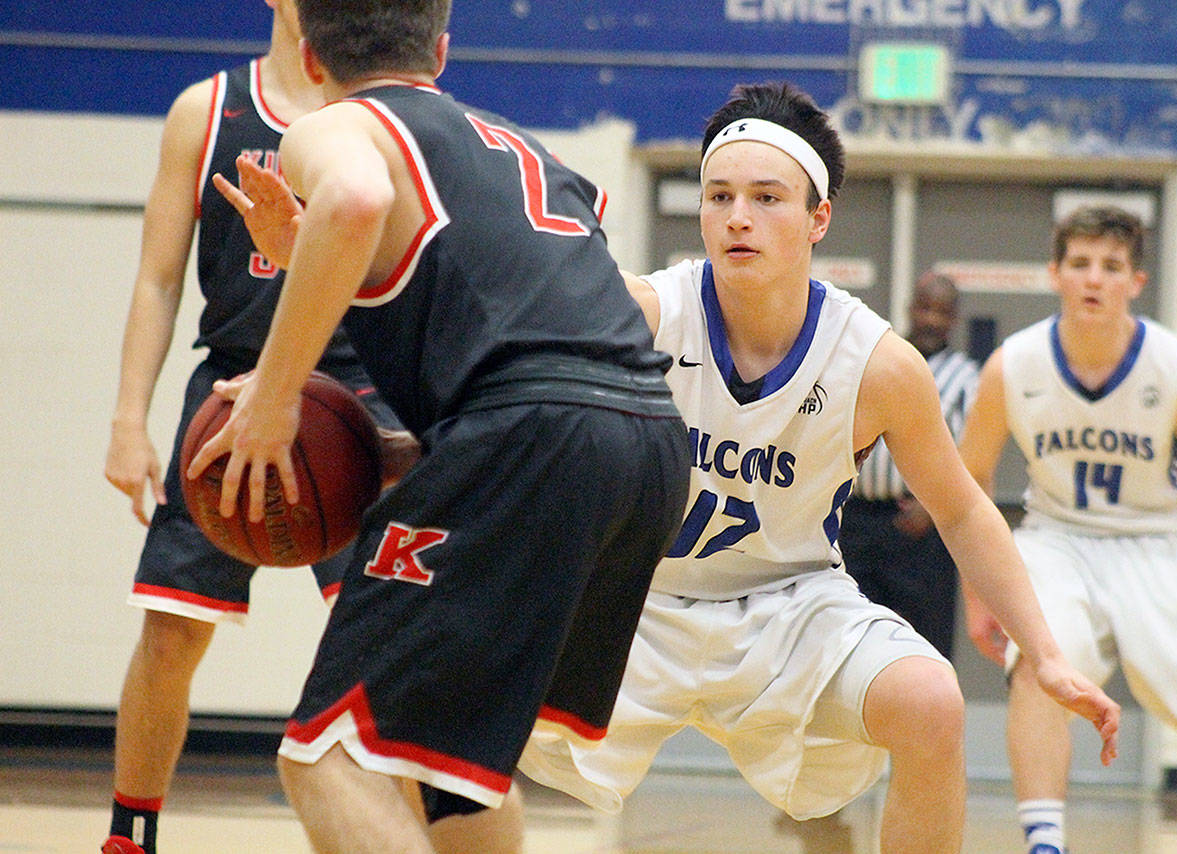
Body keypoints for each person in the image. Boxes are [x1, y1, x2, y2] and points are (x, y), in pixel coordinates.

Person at [516, 81, 1120, 854]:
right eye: (719, 195)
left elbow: (964, 510)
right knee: (436, 690)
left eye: (768, 197)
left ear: (818, 217)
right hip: (639, 599)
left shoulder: (877, 365)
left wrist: (1048, 656)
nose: (738, 216)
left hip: (792, 607)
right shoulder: (640, 316)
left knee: (933, 702)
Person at [188, 0, 691, 851]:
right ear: (443, 49)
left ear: (309, 58)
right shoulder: (521, 147)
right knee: (448, 771)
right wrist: (402, 447)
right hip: (646, 443)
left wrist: (274, 396)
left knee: (328, 757)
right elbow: (561, 321)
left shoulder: (336, 126)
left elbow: (352, 197)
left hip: (537, 436)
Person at [97, 2, 441, 852]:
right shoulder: (205, 110)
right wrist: (128, 419)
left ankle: (408, 832)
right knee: (172, 630)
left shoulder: (393, 113)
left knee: (387, 633)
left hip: (366, 392)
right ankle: (128, 835)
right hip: (233, 386)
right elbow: (157, 279)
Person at [958, 204, 1177, 854]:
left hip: (1161, 542)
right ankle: (1045, 841)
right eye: (1080, 264)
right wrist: (980, 594)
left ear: (1135, 280)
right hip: (1058, 542)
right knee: (1040, 669)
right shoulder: (1012, 367)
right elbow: (970, 485)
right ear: (1056, 273)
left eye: (1110, 266)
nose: (1093, 280)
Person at [838, 271, 979, 658]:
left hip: (923, 529)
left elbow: (974, 454)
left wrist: (933, 507)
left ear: (954, 319)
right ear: (911, 309)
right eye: (926, 308)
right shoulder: (877, 360)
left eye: (942, 312)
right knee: (850, 637)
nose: (932, 319)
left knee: (927, 641)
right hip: (858, 522)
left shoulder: (966, 377)